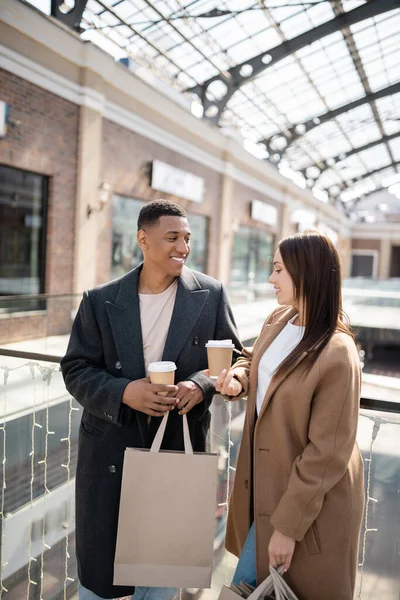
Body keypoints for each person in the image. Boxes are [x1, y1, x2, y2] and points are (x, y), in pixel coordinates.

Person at [61, 200, 242, 600]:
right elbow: (75, 369)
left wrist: (200, 386)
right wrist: (126, 392)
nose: (183, 247)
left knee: (163, 574)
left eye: (187, 239)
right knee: (102, 583)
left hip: (176, 450)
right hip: (111, 451)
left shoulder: (209, 295)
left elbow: (235, 357)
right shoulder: (100, 300)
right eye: (172, 237)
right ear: (143, 240)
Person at [216, 230, 364, 600]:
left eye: (279, 269)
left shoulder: (337, 350)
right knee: (252, 585)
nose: (271, 278)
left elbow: (327, 453)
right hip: (263, 492)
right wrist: (239, 377)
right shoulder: (279, 319)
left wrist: (288, 527)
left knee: (257, 586)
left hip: (305, 506)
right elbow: (257, 360)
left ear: (306, 272)